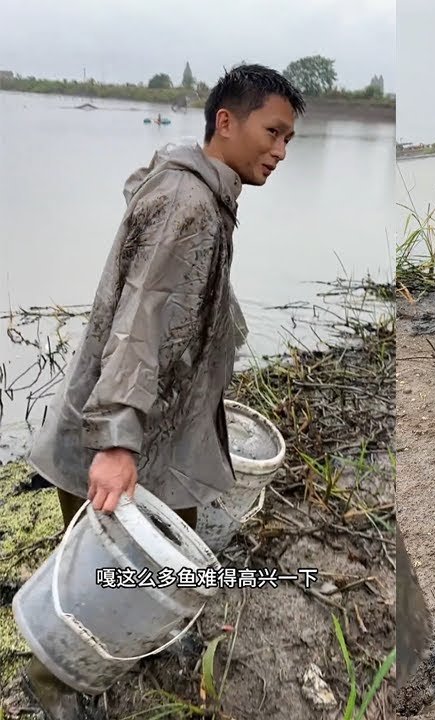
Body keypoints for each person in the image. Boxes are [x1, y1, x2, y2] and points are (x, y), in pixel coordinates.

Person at [20, 63, 304, 719]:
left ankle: (127, 660)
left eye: (290, 139)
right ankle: (59, 689)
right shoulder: (191, 206)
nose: (281, 152)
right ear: (226, 122)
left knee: (146, 565)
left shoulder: (191, 187)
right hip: (123, 438)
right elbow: (140, 323)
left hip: (159, 429)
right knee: (96, 587)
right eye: (273, 132)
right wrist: (118, 439)